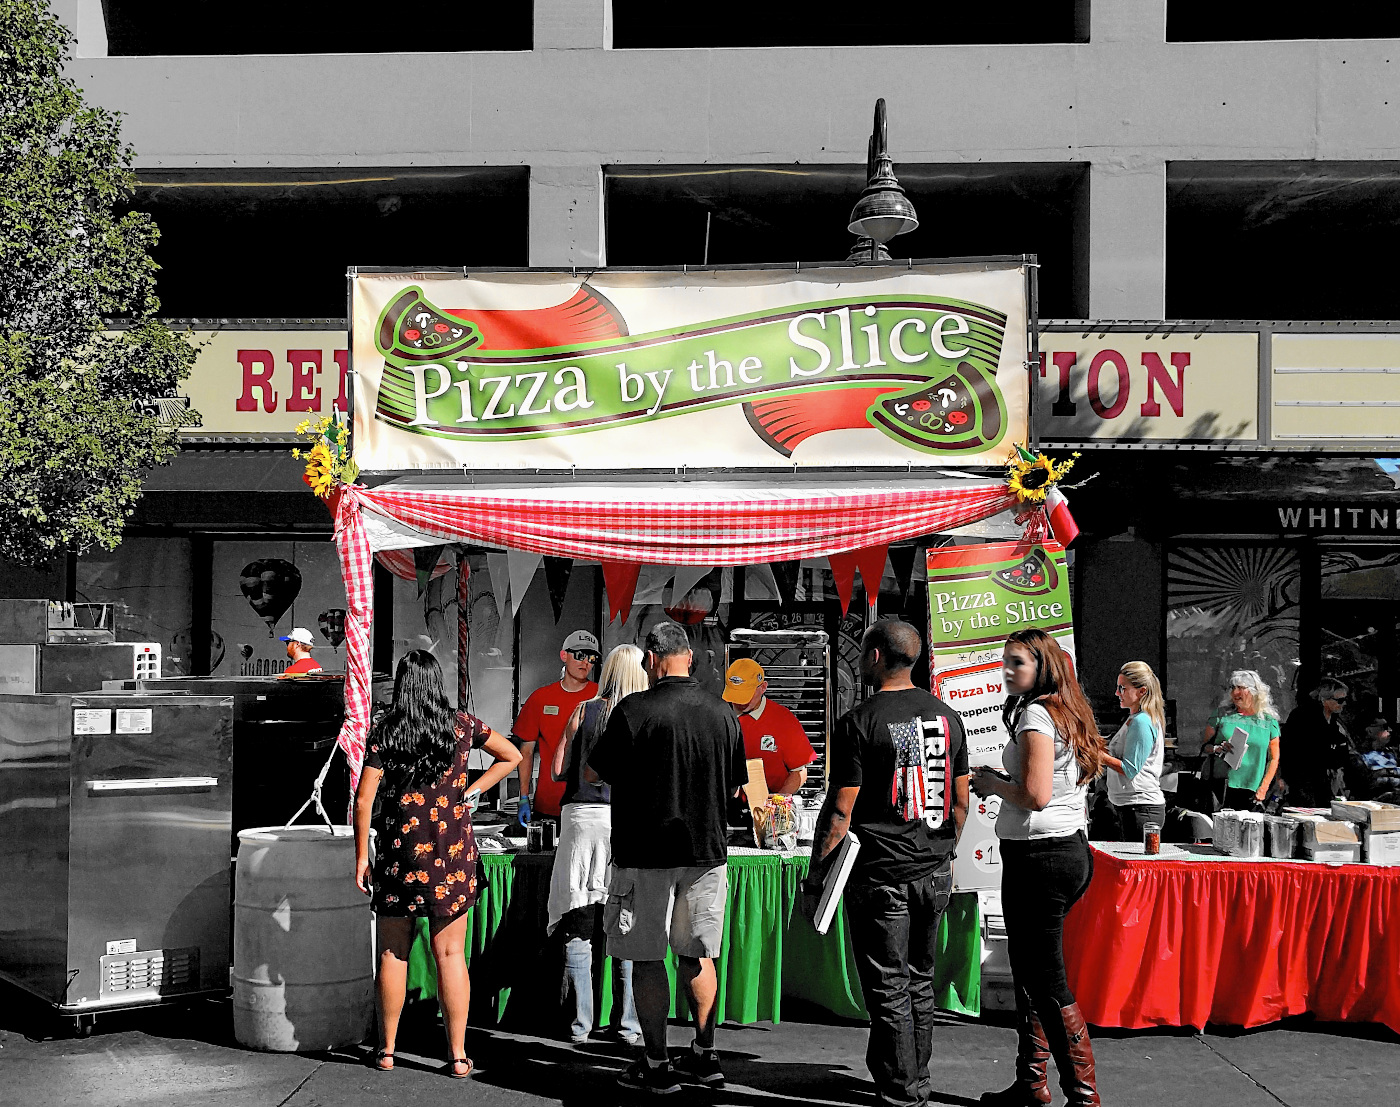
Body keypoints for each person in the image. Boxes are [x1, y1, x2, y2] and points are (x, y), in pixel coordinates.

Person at [805, 619, 969, 1107]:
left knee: (888, 984)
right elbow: (961, 802)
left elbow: (840, 811)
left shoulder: (859, 721)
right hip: (933, 868)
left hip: (881, 873)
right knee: (919, 978)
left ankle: (902, 1091)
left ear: (875, 656)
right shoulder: (947, 718)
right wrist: (943, 850)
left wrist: (816, 876)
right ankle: (912, 1076)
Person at [586, 621, 746, 1096]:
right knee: (698, 954)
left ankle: (656, 1062)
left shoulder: (634, 710)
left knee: (647, 957)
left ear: (651, 660)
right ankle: (705, 1052)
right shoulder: (723, 713)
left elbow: (594, 772)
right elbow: (736, 787)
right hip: (705, 851)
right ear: (689, 659)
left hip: (645, 852)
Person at [352, 650, 521, 1078]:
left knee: (392, 953)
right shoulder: (461, 725)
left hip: (399, 853)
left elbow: (364, 800)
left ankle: (387, 1050)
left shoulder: (386, 730)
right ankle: (458, 1056)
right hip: (451, 854)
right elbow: (512, 756)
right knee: (450, 955)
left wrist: (360, 857)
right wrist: (474, 790)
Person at [970, 628, 1103, 1107]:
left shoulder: (1038, 714)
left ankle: (1083, 1097)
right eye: (1005, 661)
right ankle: (1031, 1084)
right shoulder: (1064, 710)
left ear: (1041, 666)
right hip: (1060, 851)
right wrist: (1005, 781)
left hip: (1042, 857)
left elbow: (1036, 795)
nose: (1007, 670)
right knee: (1030, 971)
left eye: (1018, 662)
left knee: (1045, 978)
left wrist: (992, 783)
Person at [546, 644, 646, 1046]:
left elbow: (557, 770)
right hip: (625, 822)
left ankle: (579, 1024)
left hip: (581, 821)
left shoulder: (583, 710)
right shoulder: (643, 714)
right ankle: (628, 1025)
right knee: (625, 926)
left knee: (578, 922)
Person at [512, 630, 600, 824]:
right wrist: (523, 797)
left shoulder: (601, 697)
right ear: (564, 655)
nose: (586, 662)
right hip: (548, 805)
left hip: (591, 804)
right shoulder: (540, 698)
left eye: (591, 658)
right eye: (580, 655)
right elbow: (526, 752)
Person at [722, 657, 816, 794]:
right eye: (735, 694)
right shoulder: (719, 716)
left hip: (771, 799)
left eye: (746, 695)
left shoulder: (783, 719)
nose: (740, 702)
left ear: (763, 687)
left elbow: (799, 772)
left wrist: (778, 800)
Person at [1102, 661, 1166, 841]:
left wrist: (1097, 755)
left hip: (1141, 808)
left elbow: (1130, 768)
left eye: (1122, 688)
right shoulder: (1136, 718)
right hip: (1133, 806)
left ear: (1142, 691)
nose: (1117, 693)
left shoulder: (1142, 721)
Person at [1202, 669, 1281, 811]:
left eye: (1240, 688)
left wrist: (1263, 788)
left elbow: (1274, 759)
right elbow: (1204, 747)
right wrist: (1217, 748)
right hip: (1220, 787)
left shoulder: (1269, 722)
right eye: (1233, 688)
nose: (1235, 692)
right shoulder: (1221, 715)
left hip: (1253, 790)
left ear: (1254, 691)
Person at [1279, 677, 1350, 807]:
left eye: (1345, 699)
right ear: (1324, 699)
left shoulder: (1335, 721)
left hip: (1325, 781)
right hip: (1302, 780)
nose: (1344, 703)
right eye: (1340, 700)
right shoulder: (1302, 716)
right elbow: (1288, 749)